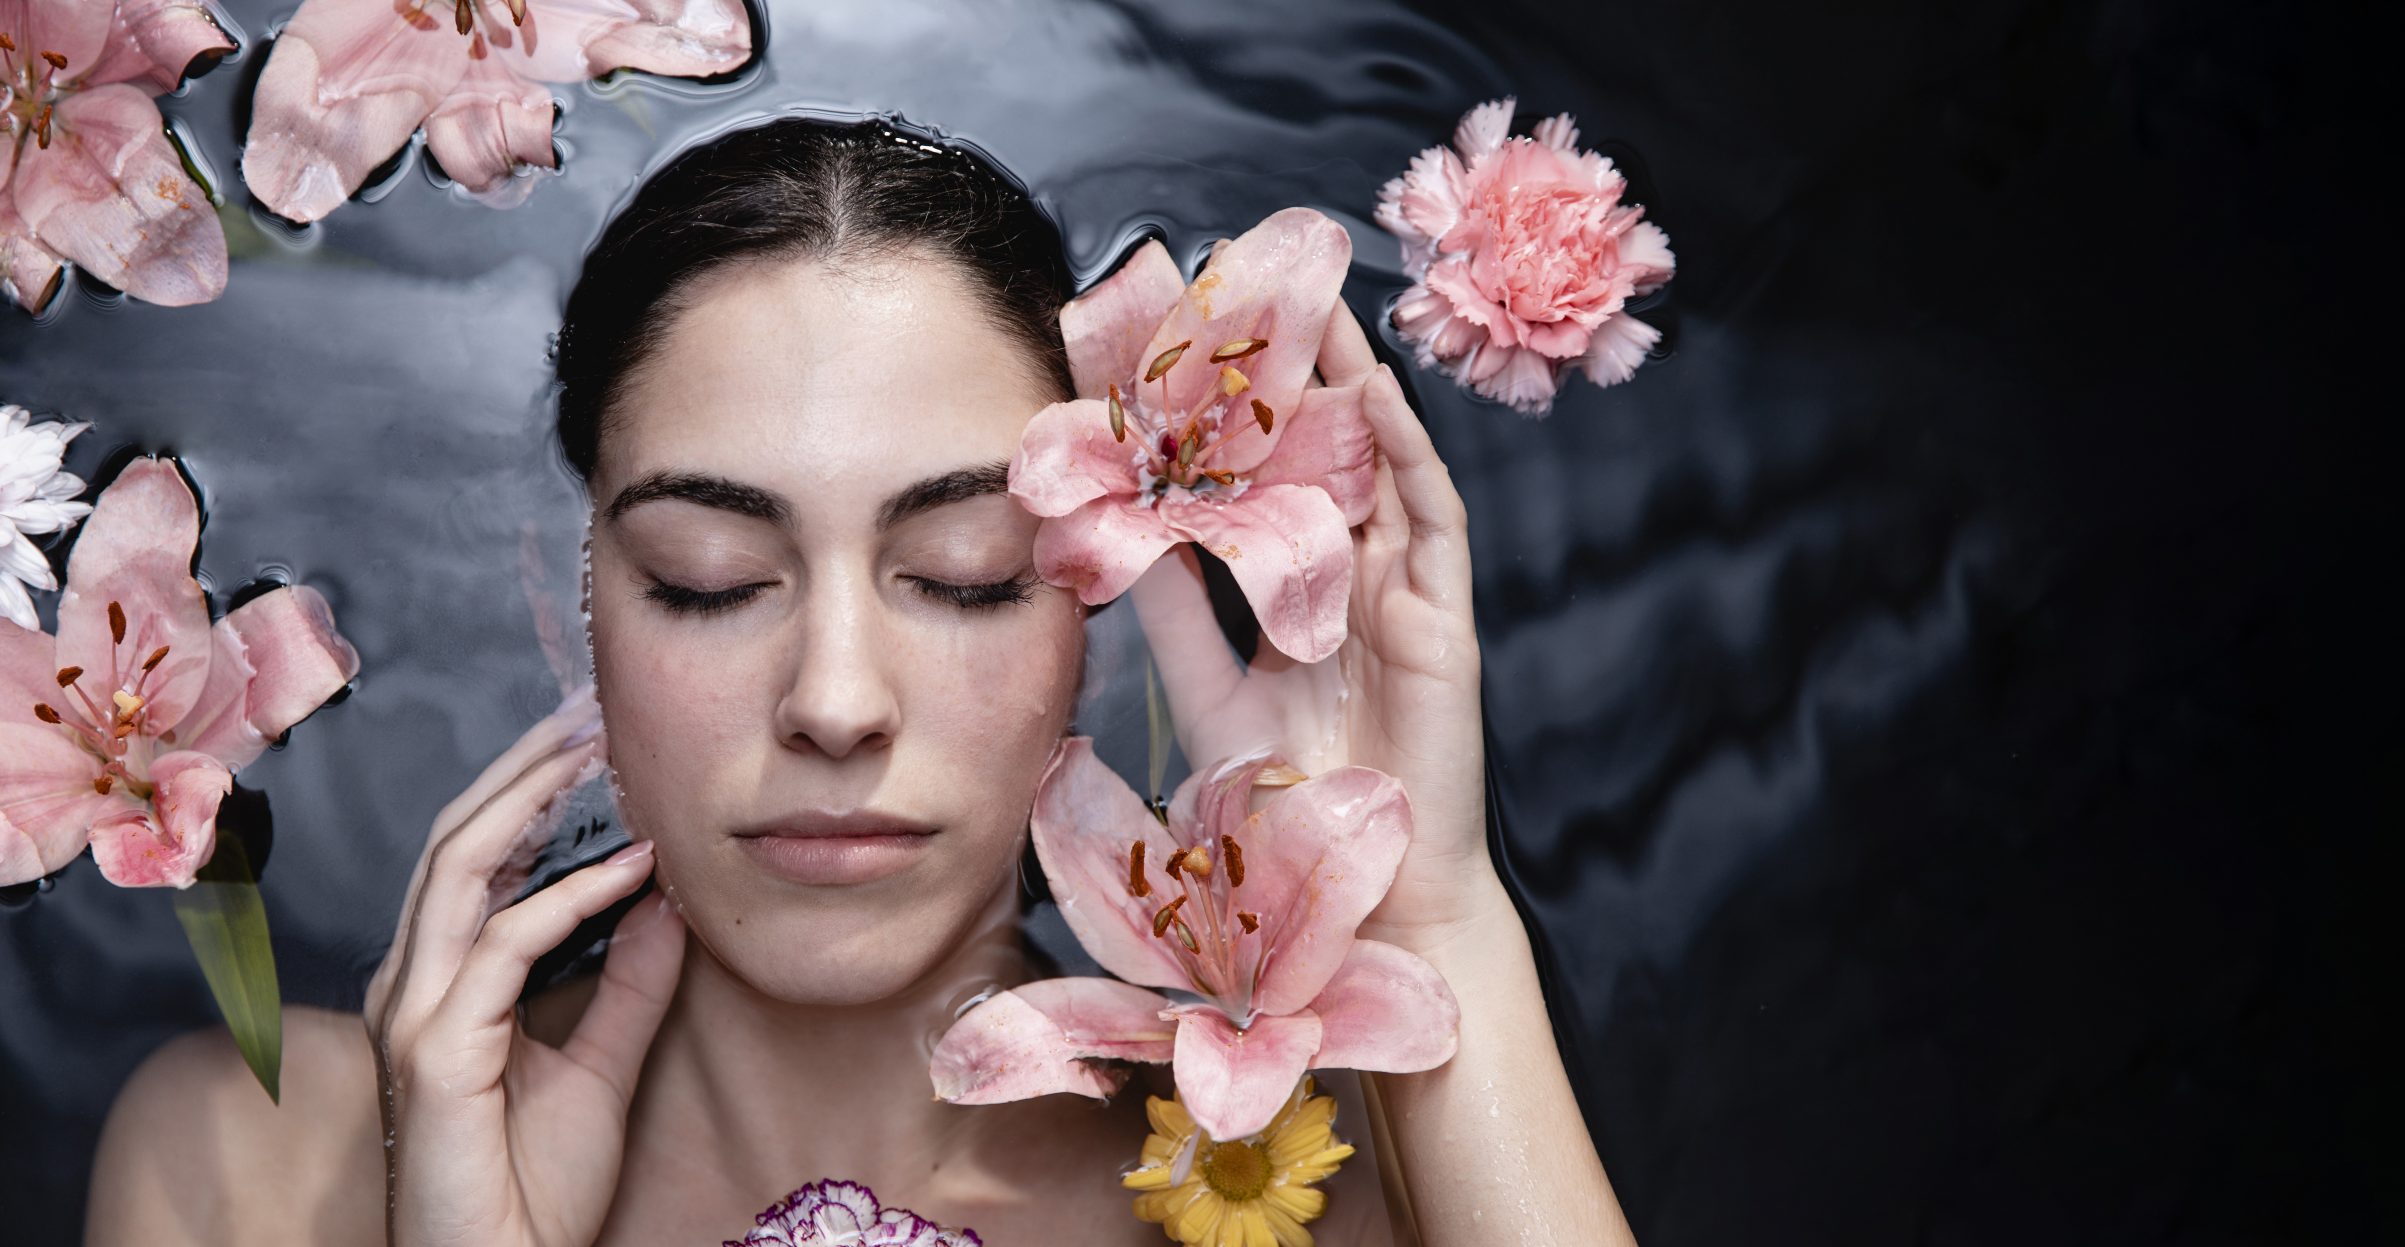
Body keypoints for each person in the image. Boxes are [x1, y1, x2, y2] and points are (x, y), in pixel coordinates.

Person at [87, 116, 1635, 1246]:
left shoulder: (1320, 1183)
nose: (836, 700)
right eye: (710, 578)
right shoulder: (252, 1171)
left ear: (1088, 621)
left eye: (964, 573)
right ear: (569, 623)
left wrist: (1427, 906)